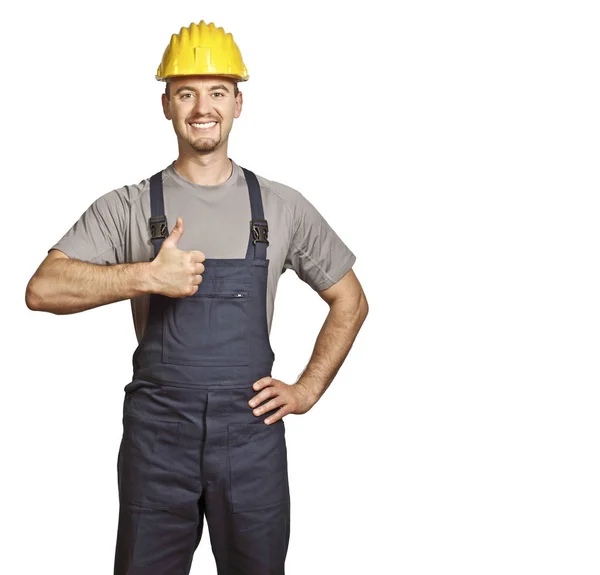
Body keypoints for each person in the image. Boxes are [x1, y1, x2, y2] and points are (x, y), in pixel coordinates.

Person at [25, 19, 368, 575]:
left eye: (217, 92)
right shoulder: (130, 206)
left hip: (251, 437)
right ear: (166, 105)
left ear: (238, 104)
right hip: (159, 437)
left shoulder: (281, 207)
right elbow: (42, 289)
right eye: (186, 93)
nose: (202, 106)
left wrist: (306, 390)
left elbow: (350, 300)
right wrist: (145, 277)